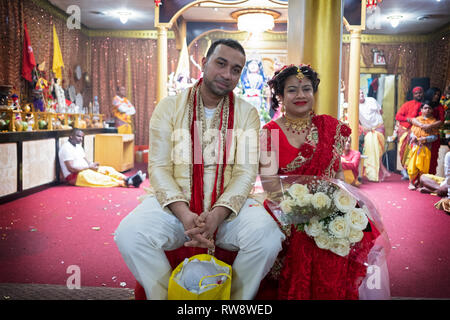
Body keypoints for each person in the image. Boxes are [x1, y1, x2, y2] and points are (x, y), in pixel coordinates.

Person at [114, 39, 285, 300]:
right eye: (221, 63)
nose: (228, 74)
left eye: (236, 69)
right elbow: (159, 167)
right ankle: (167, 297)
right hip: (174, 206)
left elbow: (244, 173)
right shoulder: (169, 107)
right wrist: (184, 213)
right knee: (129, 233)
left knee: (268, 237)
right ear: (204, 63)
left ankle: (235, 301)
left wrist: (216, 215)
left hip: (228, 210)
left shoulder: (246, 113)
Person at [259, 64, 385, 299]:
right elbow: (271, 186)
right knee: (305, 245)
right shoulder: (269, 132)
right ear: (280, 96)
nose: (300, 95)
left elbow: (337, 175)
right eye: (292, 90)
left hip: (330, 206)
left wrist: (339, 206)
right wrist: (302, 214)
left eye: (306, 89)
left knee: (357, 229)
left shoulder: (329, 127)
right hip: (284, 210)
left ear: (313, 93)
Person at [59, 128, 145, 188]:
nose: (81, 139)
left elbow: (85, 160)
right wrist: (89, 167)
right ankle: (127, 182)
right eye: (78, 136)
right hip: (75, 176)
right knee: (100, 178)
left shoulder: (78, 146)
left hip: (85, 170)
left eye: (82, 137)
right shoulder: (66, 148)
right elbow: (71, 169)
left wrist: (92, 164)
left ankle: (127, 178)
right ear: (71, 136)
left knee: (108, 169)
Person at [407, 102, 440, 190]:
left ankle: (421, 184)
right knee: (413, 165)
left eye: (429, 108)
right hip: (416, 147)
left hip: (426, 148)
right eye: (425, 108)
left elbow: (435, 137)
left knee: (424, 167)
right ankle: (411, 183)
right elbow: (412, 132)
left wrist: (425, 139)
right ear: (421, 110)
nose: (427, 110)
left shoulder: (433, 122)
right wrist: (413, 137)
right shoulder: (417, 120)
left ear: (432, 110)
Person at [358, 89, 389, 182]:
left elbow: (381, 111)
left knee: (378, 150)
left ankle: (382, 171)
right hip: (369, 131)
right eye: (359, 93)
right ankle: (381, 172)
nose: (361, 94)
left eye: (362, 92)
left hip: (379, 128)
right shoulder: (355, 106)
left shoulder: (371, 100)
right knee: (372, 151)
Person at [395, 86, 424, 179]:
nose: (418, 95)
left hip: (416, 132)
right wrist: (408, 119)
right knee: (403, 150)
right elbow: (398, 116)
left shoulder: (425, 106)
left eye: (420, 93)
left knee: (413, 151)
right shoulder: (407, 104)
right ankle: (404, 170)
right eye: (416, 93)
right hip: (404, 130)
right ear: (413, 95)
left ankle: (412, 172)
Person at [419, 87, 444, 175]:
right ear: (430, 94)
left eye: (438, 95)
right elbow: (417, 118)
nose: (437, 96)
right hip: (421, 133)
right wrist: (421, 125)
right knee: (420, 156)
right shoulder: (423, 104)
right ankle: (419, 179)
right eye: (435, 94)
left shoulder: (439, 106)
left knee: (433, 158)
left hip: (433, 134)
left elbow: (441, 120)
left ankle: (430, 179)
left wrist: (430, 125)